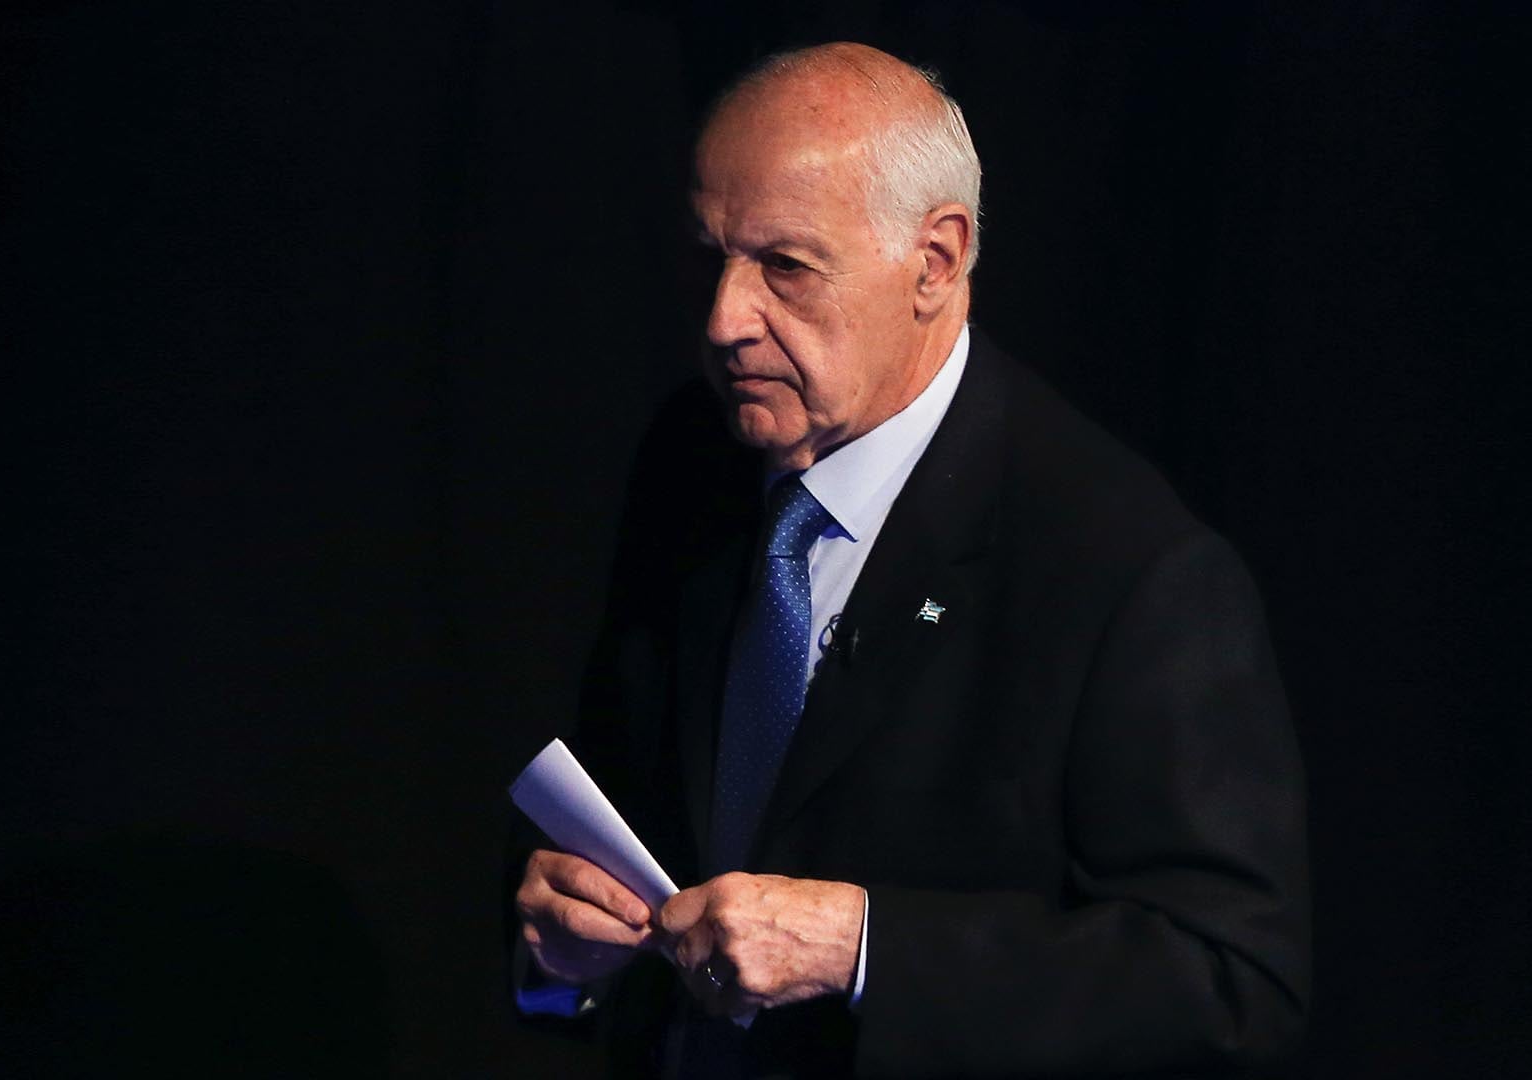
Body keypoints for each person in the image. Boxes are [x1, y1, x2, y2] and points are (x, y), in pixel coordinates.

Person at [512, 41, 1309, 1078]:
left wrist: (864, 952)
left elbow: (1232, 983)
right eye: (712, 256)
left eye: (785, 267)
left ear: (934, 261)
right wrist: (560, 957)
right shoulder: (693, 458)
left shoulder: (1124, 568)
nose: (724, 320)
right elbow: (623, 820)